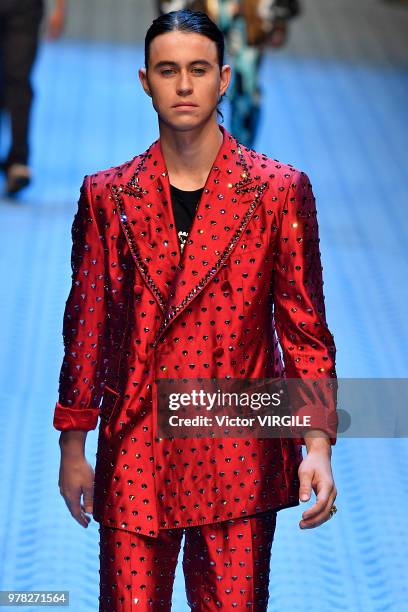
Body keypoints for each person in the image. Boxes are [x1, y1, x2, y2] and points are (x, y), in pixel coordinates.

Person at [54, 9, 338, 611]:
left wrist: (316, 442)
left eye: (199, 69)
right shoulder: (107, 195)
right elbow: (87, 327)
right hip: (136, 447)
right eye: (168, 70)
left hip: (236, 446)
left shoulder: (279, 190)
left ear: (224, 78)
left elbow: (304, 328)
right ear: (145, 80)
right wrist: (74, 446)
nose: (184, 86)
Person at [157, 0, 301, 147]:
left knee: (245, 87)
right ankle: (193, 148)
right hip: (202, 8)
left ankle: (242, 155)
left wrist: (279, 16)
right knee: (197, 80)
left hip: (249, 11)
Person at [0, 0, 66, 196]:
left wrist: (60, 8)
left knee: (18, 79)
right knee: (16, 82)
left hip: (25, 8)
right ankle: (17, 161)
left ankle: (18, 161)